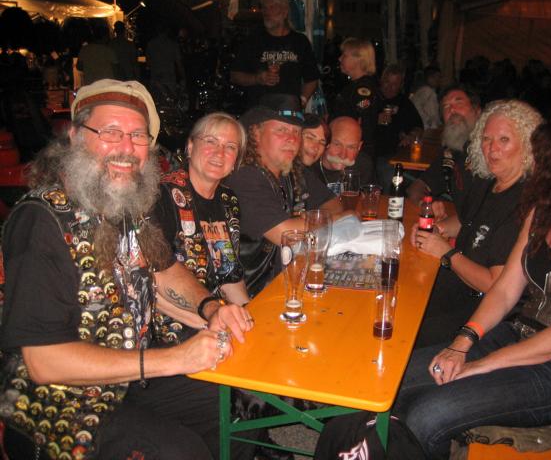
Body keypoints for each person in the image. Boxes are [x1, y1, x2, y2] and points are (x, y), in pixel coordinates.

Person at [0, 79, 254, 459]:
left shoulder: (124, 206)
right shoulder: (41, 220)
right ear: (75, 136)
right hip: (56, 404)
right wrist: (175, 358)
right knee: (181, 451)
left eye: (138, 136)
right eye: (111, 132)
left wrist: (210, 307)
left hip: (127, 380)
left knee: (237, 401)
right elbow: (43, 361)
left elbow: (164, 270)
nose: (126, 147)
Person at [395, 116, 551, 459]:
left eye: (544, 160)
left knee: (427, 415)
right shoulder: (542, 212)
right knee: (401, 381)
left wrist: (479, 366)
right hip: (518, 334)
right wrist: (461, 343)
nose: (535, 166)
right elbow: (506, 290)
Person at [411, 100, 542, 347]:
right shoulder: (488, 182)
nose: (492, 148)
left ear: (527, 145)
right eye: (486, 139)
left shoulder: (525, 203)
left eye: (504, 140)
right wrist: (436, 230)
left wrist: (446, 252)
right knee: (397, 296)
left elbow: (496, 285)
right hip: (455, 285)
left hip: (482, 310)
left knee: (407, 333)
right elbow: (467, 222)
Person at [151, 112, 251, 346]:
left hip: (215, 320)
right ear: (190, 146)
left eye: (230, 147)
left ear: (236, 159)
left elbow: (228, 274)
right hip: (170, 334)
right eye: (211, 141)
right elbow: (150, 284)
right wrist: (210, 323)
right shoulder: (161, 197)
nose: (219, 153)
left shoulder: (228, 201)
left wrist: (249, 314)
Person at [225, 98, 343, 296]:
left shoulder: (293, 170)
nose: (292, 139)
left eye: (296, 132)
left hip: (288, 280)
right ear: (256, 133)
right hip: (252, 294)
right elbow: (284, 234)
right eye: (281, 130)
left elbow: (333, 203)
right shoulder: (245, 177)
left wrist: (309, 221)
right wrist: (329, 218)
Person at [230, 0, 320, 108]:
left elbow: (312, 78)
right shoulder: (253, 40)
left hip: (288, 112)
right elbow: (235, 75)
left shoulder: (300, 42)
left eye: (272, 7)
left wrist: (301, 101)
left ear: (285, 11)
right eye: (264, 7)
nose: (267, 12)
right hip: (259, 111)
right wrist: (257, 78)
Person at [407, 85, 481, 212]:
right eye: (446, 107)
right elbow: (417, 187)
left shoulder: (490, 149)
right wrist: (426, 206)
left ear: (477, 111)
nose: (452, 110)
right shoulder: (450, 151)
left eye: (459, 103)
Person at [374, 64, 423, 191]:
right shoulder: (372, 98)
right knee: (389, 172)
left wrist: (411, 136)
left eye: (394, 84)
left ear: (401, 85)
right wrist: (374, 119)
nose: (389, 87)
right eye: (387, 82)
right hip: (373, 152)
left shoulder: (403, 102)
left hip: (397, 153)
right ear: (381, 81)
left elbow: (418, 126)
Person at [332, 37, 383, 158]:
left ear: (358, 60)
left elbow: (364, 124)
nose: (340, 58)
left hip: (353, 152)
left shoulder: (363, 89)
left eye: (344, 55)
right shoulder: (354, 86)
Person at [310, 116, 376, 195]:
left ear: (359, 147)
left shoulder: (363, 165)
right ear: (326, 141)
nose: (343, 155)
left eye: (351, 147)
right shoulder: (309, 164)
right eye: (337, 144)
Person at [146, 24, 185, 93]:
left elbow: (148, 63)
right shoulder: (173, 44)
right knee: (170, 97)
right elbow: (179, 63)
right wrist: (183, 77)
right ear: (167, 31)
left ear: (157, 31)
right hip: (169, 79)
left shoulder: (151, 44)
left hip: (156, 79)